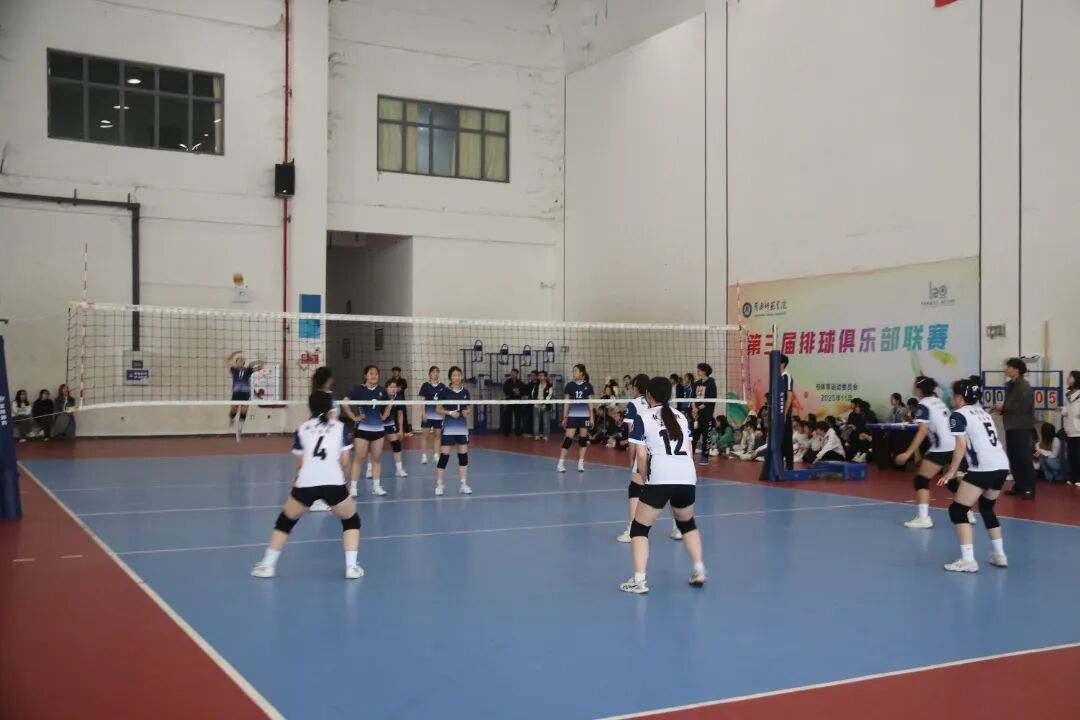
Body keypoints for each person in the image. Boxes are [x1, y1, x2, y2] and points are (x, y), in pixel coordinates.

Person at [251, 391, 363, 579]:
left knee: (285, 521)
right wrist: (343, 484)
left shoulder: (301, 429)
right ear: (331, 407)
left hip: (306, 483)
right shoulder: (340, 428)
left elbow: (300, 464)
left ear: (310, 407)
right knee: (351, 520)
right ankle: (351, 567)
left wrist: (297, 479)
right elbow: (345, 462)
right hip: (333, 482)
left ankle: (267, 565)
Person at [619, 376, 706, 594]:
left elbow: (640, 455)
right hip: (686, 476)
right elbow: (689, 450)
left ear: (648, 395)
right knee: (687, 524)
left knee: (639, 528)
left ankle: (639, 581)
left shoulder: (643, 417)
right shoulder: (682, 417)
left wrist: (646, 479)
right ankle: (699, 569)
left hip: (661, 476)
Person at [938, 379, 1011, 572]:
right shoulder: (983, 413)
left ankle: (968, 560)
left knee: (958, 511)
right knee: (987, 508)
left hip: (983, 467)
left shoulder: (958, 415)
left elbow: (961, 446)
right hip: (1001, 465)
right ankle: (999, 555)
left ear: (959, 397)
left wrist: (951, 472)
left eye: (953, 394)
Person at [895, 376, 956, 529]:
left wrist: (908, 454)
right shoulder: (938, 401)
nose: (912, 386)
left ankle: (923, 518)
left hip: (942, 446)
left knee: (920, 480)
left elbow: (922, 431)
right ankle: (966, 510)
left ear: (919, 388)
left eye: (914, 384)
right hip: (954, 444)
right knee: (950, 480)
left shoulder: (923, 405)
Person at [343, 365, 390, 497]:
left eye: (376, 374)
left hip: (378, 430)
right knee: (359, 458)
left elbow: (390, 403)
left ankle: (376, 486)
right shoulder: (358, 390)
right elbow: (344, 402)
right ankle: (353, 488)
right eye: (371, 373)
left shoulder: (382, 390)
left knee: (377, 459)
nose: (374, 376)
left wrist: (385, 415)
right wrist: (353, 417)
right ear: (366, 376)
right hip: (362, 429)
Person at [995, 358, 1036, 499]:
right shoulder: (1011, 385)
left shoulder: (1024, 386)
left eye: (1009, 367)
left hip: (1021, 427)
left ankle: (1029, 488)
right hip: (1011, 426)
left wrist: (1004, 408)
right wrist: (1003, 409)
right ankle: (1019, 485)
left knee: (1024, 458)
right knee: (1014, 457)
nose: (1006, 369)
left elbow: (1023, 407)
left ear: (1016, 369)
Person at [435, 366, 473, 496]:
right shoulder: (444, 391)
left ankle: (463, 484)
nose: (456, 377)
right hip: (449, 428)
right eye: (454, 375)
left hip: (462, 428)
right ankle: (439, 485)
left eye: (458, 375)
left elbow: (468, 409)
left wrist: (465, 412)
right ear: (450, 377)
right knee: (444, 456)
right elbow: (438, 409)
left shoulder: (465, 392)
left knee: (463, 456)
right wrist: (450, 412)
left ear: (461, 376)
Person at [557, 364, 594, 473]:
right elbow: (566, 403)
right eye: (573, 371)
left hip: (584, 416)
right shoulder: (570, 385)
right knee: (568, 439)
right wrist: (565, 417)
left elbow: (590, 403)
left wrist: (592, 417)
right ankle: (560, 464)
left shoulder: (588, 386)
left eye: (576, 371)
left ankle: (581, 463)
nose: (574, 373)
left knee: (583, 440)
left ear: (581, 373)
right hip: (572, 415)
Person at [226, 351, 263, 442]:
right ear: (236, 362)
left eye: (242, 360)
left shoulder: (248, 370)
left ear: (244, 363)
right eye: (239, 360)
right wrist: (235, 352)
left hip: (246, 394)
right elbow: (228, 359)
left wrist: (261, 360)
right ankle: (231, 418)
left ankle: (239, 431)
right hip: (236, 393)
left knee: (243, 412)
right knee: (234, 410)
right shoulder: (233, 370)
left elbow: (259, 368)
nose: (241, 361)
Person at [417, 366, 446, 465]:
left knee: (437, 436)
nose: (435, 374)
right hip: (428, 415)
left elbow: (444, 401)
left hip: (439, 416)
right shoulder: (425, 385)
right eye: (433, 372)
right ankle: (424, 456)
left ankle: (436, 456)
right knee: (425, 436)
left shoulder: (442, 386)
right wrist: (423, 413)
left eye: (437, 372)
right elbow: (422, 401)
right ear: (430, 374)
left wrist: (443, 412)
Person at [382, 379, 409, 479]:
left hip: (389, 424)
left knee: (396, 444)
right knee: (375, 447)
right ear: (386, 388)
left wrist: (400, 429)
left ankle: (399, 469)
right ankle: (370, 469)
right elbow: (382, 414)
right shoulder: (381, 396)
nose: (393, 389)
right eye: (391, 387)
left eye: (395, 387)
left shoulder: (399, 398)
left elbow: (400, 414)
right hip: (378, 424)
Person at [692, 363, 717, 466]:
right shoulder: (696, 383)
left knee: (706, 437)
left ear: (705, 371)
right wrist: (694, 410)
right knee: (693, 436)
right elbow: (693, 398)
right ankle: (690, 455)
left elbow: (709, 401)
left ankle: (705, 457)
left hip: (707, 415)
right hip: (696, 415)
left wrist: (698, 408)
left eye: (700, 370)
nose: (698, 371)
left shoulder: (711, 384)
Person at [1062, 371, 1080, 487]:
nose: (1068, 378)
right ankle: (1072, 478)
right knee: (1071, 456)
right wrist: (1062, 410)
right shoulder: (1067, 395)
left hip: (1079, 430)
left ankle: (1078, 478)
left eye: (1070, 376)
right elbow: (1065, 412)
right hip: (1069, 429)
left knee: (1078, 456)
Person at [779, 355, 795, 471]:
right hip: (777, 414)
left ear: (783, 364)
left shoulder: (787, 376)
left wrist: (784, 413)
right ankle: (779, 463)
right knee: (779, 440)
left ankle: (789, 466)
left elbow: (789, 396)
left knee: (787, 439)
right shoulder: (777, 377)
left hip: (785, 414)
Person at [502, 368, 527, 437]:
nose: (513, 375)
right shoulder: (507, 382)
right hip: (509, 400)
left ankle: (518, 432)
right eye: (512, 373)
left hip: (518, 401)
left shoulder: (520, 382)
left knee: (518, 417)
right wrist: (512, 391)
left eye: (515, 373)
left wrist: (519, 392)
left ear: (517, 374)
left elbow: (524, 390)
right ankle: (507, 432)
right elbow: (505, 390)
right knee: (508, 417)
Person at [530, 370, 554, 440]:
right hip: (536, 405)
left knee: (546, 421)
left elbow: (550, 395)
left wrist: (543, 402)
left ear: (545, 377)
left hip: (545, 406)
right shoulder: (536, 385)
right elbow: (532, 393)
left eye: (541, 376)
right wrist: (536, 401)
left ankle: (545, 435)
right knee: (536, 421)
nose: (539, 377)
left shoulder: (549, 386)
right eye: (539, 376)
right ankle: (536, 435)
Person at [390, 366, 411, 435]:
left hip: (401, 400)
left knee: (403, 415)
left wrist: (395, 388)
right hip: (392, 400)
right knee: (393, 415)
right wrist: (395, 389)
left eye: (396, 371)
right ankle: (395, 430)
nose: (395, 372)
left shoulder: (403, 381)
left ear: (399, 372)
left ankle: (406, 431)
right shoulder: (390, 381)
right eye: (394, 371)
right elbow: (389, 389)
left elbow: (401, 388)